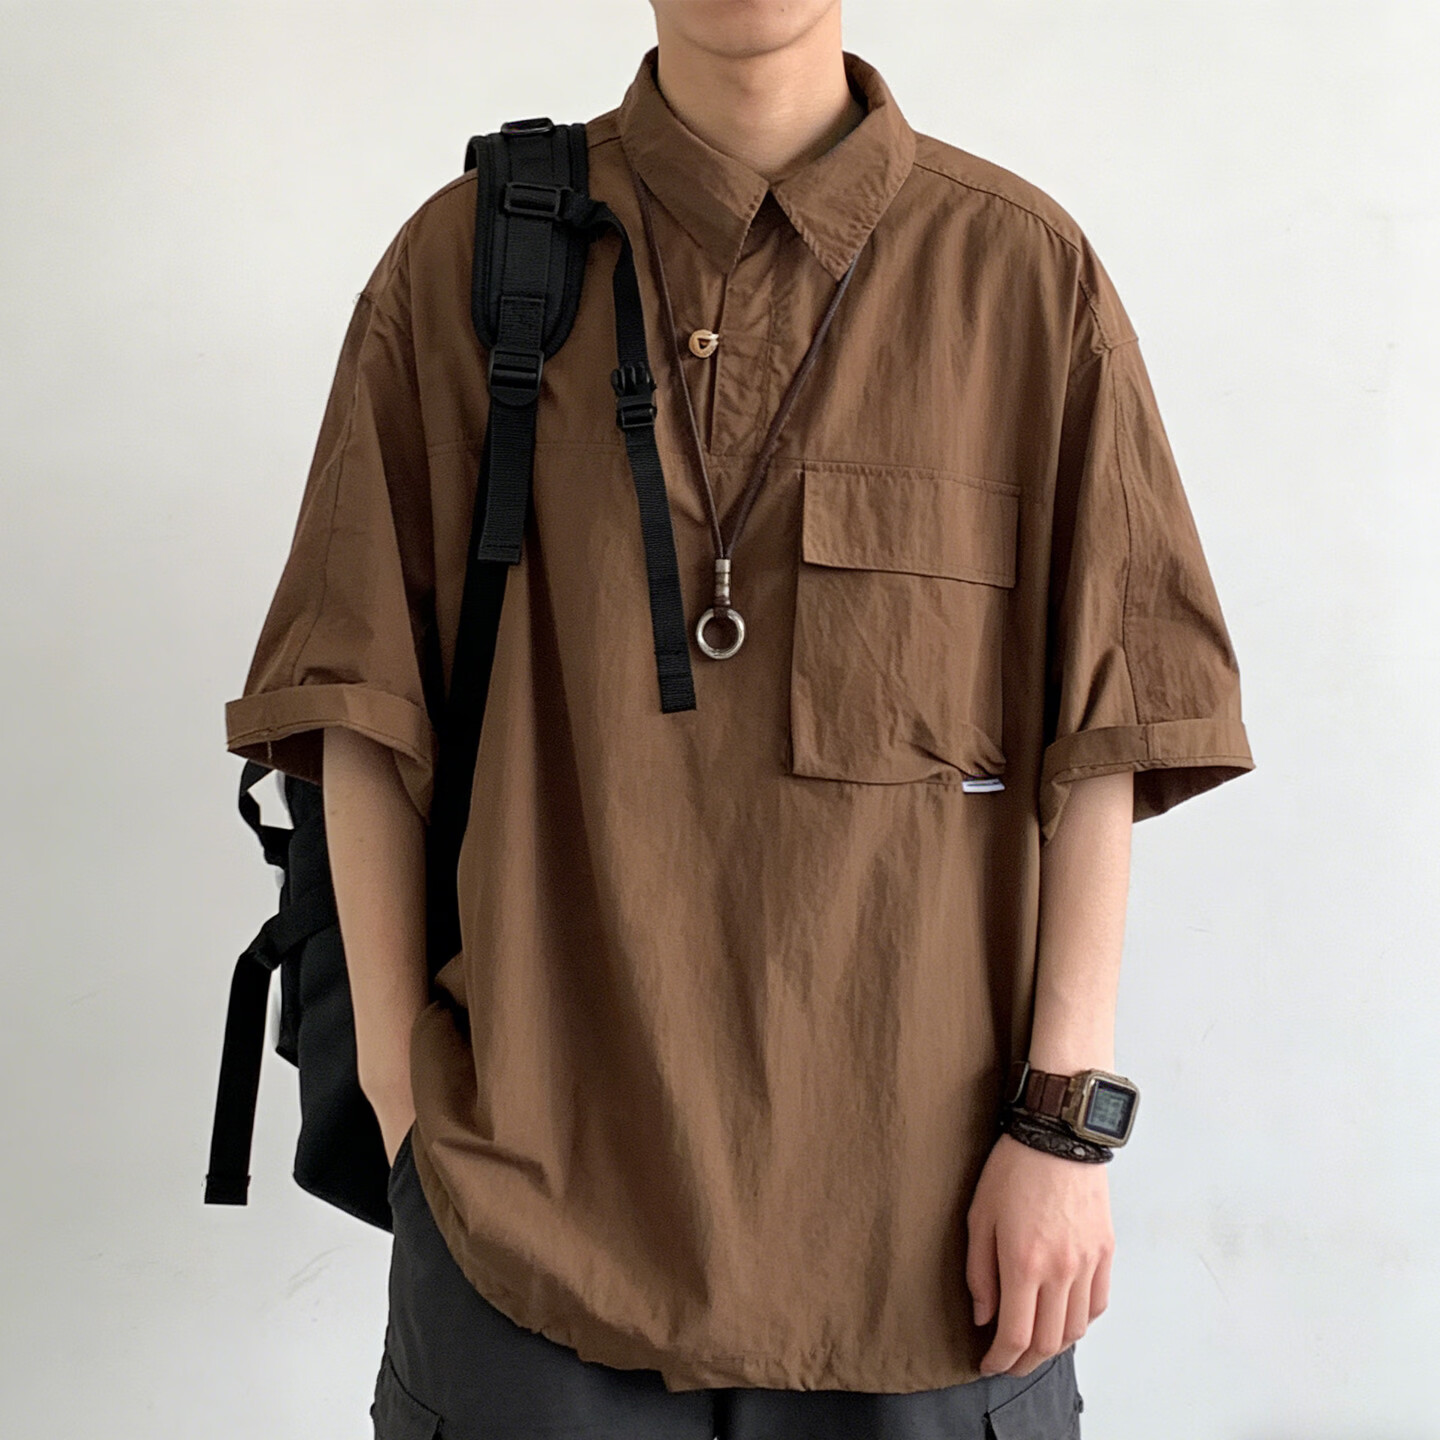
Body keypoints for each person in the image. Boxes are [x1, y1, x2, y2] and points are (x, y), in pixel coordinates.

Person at [223, 2, 1255, 1435]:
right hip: (524, 1240)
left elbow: (1108, 736)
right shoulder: (467, 263)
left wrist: (1063, 1132)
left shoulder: (1020, 278)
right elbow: (357, 713)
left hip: (939, 1251)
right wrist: (411, 1120)